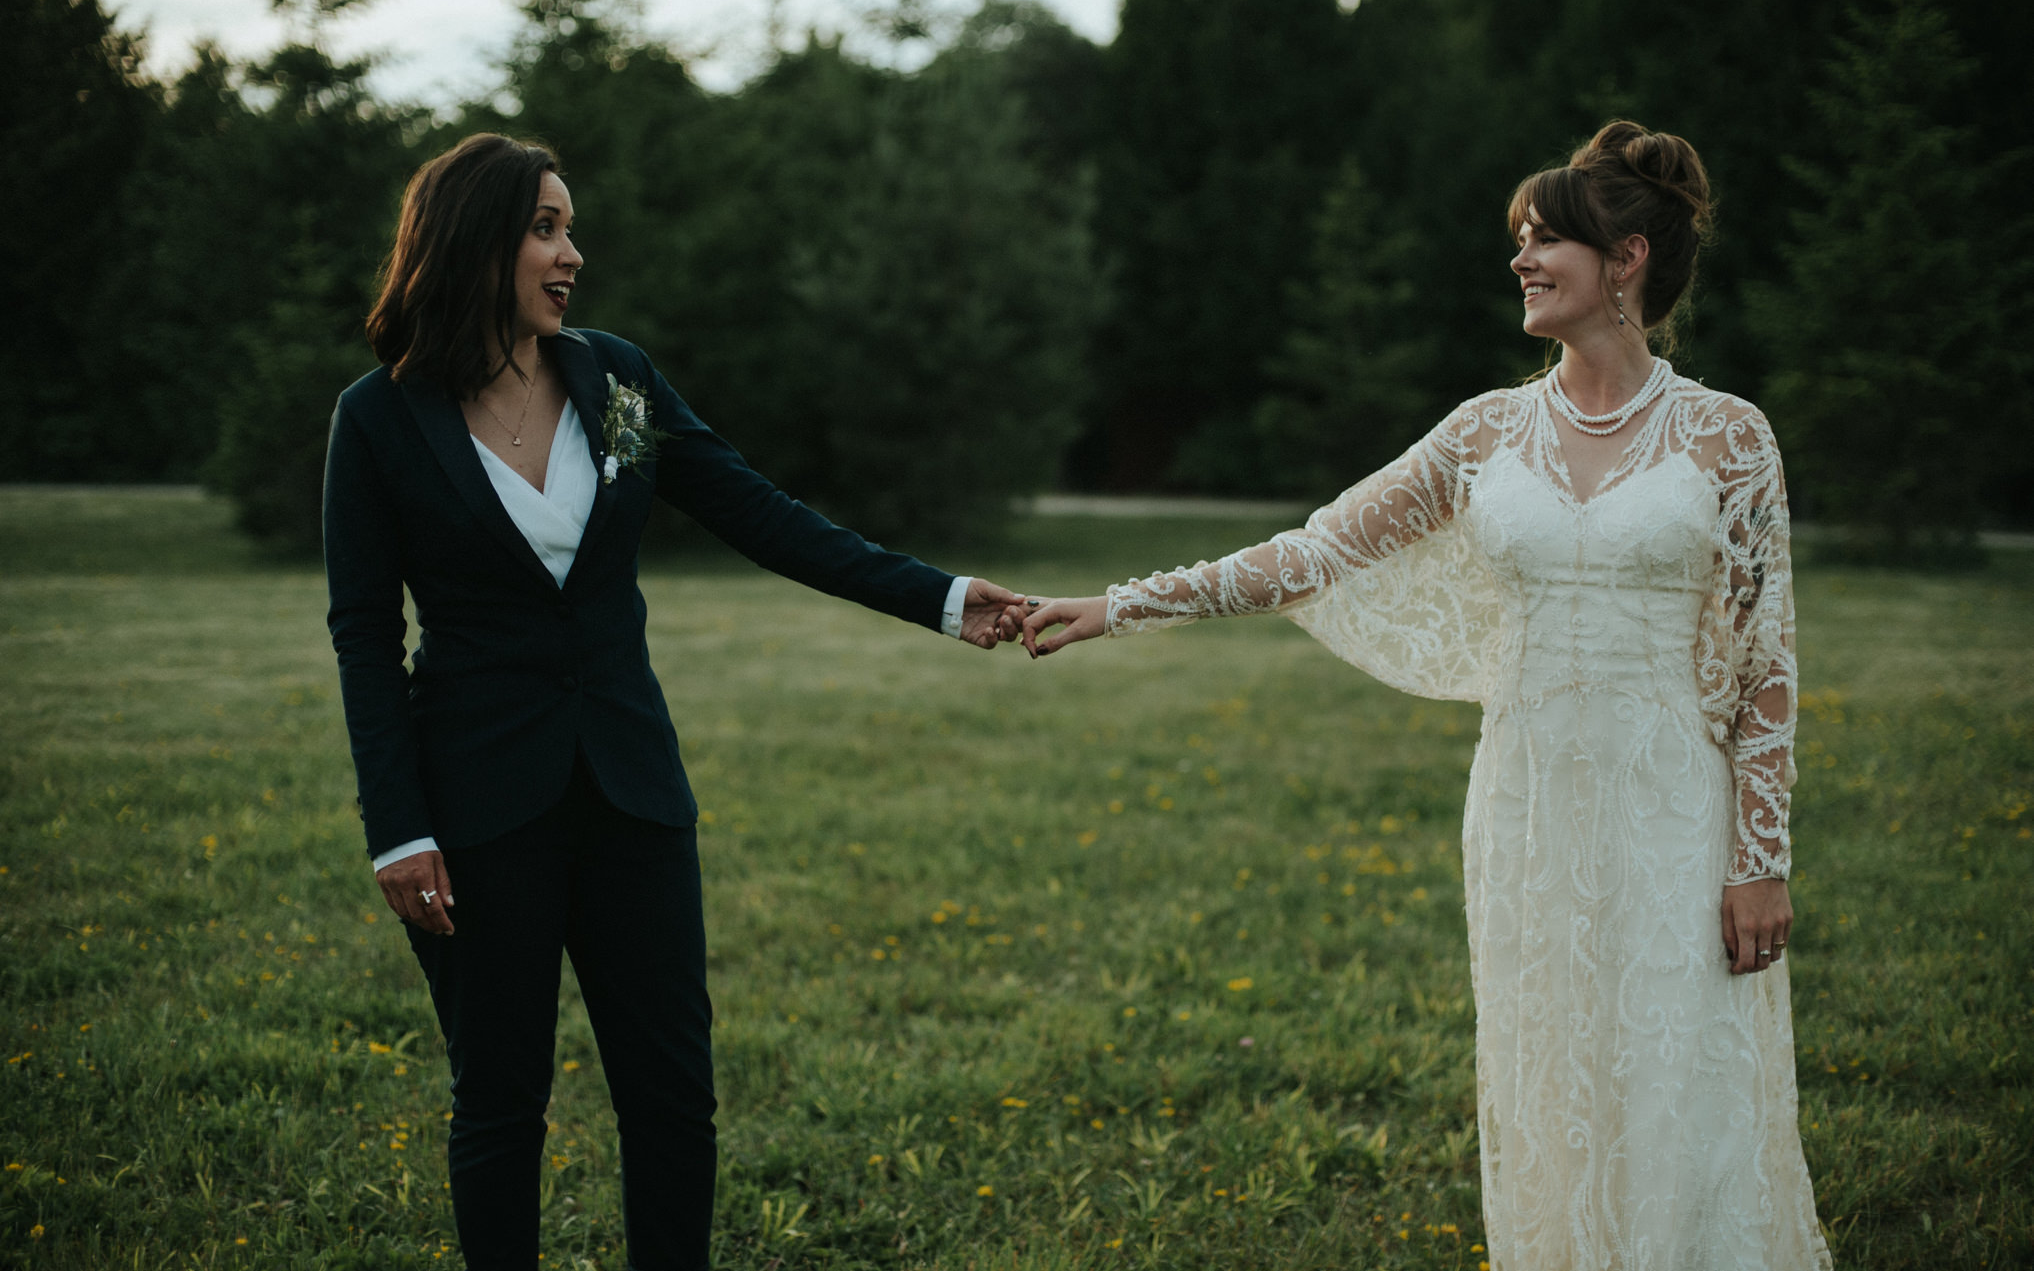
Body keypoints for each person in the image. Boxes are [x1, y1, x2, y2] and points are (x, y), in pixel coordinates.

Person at [1022, 121, 1830, 1268]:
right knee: (1547, 1071)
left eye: (1547, 238)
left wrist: (1760, 859)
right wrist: (1124, 604)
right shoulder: (1484, 433)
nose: (1522, 259)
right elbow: (1313, 552)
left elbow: (1765, 667)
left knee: (1678, 1080)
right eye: (1521, 239)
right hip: (1528, 800)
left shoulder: (1730, 438)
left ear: (1630, 258)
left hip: (1673, 810)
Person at [323, 132, 1027, 1270]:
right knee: (499, 1104)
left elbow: (757, 512)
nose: (573, 254)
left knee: (672, 1097)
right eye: (546, 228)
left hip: (633, 795)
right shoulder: (381, 419)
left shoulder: (614, 387)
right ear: (474, 242)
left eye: (569, 227)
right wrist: (396, 828)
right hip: (476, 806)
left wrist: (942, 598)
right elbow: (364, 635)